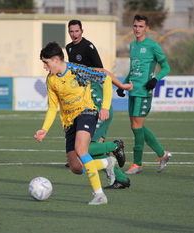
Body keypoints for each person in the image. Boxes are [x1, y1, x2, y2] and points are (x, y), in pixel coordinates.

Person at [34, 41, 116, 205]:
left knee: (80, 149)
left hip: (87, 112)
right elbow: (52, 107)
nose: (45, 67)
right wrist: (44, 129)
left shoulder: (78, 70)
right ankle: (107, 162)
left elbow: (105, 79)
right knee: (76, 167)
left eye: (46, 62)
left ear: (56, 60)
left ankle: (99, 195)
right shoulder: (51, 80)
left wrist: (105, 107)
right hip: (69, 121)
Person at [66, 19, 132, 189]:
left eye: (76, 31)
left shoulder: (88, 47)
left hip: (97, 104)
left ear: (82, 31)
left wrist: (121, 86)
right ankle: (121, 179)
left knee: (85, 149)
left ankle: (115, 146)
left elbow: (102, 72)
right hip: (88, 104)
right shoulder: (69, 48)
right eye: (71, 31)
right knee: (95, 151)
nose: (74, 34)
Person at [117, 14, 172, 174]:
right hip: (132, 91)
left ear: (147, 28)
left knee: (136, 126)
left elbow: (166, 68)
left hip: (144, 92)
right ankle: (162, 154)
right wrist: (122, 85)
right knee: (136, 127)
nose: (137, 29)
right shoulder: (132, 45)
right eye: (135, 26)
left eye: (141, 26)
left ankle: (137, 164)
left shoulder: (153, 46)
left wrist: (155, 80)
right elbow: (133, 70)